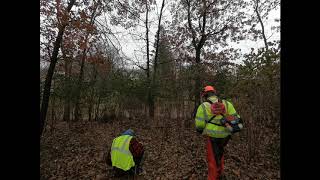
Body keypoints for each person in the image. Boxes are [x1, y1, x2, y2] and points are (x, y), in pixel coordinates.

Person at [194, 85, 242, 180]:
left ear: (204, 95)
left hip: (211, 137)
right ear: (214, 93)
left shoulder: (203, 106)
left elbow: (199, 125)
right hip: (225, 136)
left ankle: (213, 177)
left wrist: (202, 129)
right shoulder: (227, 104)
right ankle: (220, 173)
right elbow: (235, 118)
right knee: (220, 154)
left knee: (212, 159)